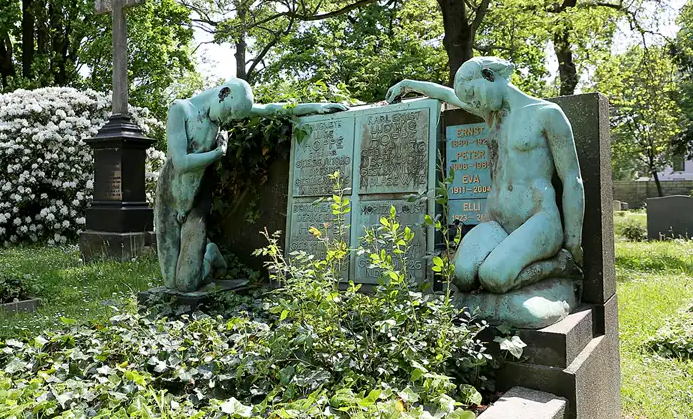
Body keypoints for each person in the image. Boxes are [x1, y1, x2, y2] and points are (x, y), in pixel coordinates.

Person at [387, 56, 584, 296]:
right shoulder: (492, 116)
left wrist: (573, 241)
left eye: (473, 93)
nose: (473, 102)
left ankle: (559, 265)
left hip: (538, 219)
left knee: (494, 277)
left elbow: (572, 179)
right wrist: (407, 84)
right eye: (469, 99)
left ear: (489, 76)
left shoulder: (547, 114)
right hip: (497, 221)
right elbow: (447, 94)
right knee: (461, 275)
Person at [155, 77, 348, 292]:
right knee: (170, 283)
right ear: (223, 93)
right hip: (168, 199)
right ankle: (205, 254)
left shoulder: (223, 112)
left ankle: (210, 253)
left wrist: (316, 107)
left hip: (197, 201)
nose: (227, 121)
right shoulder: (181, 109)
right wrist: (218, 153)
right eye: (227, 113)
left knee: (185, 285)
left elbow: (270, 109)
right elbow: (181, 163)